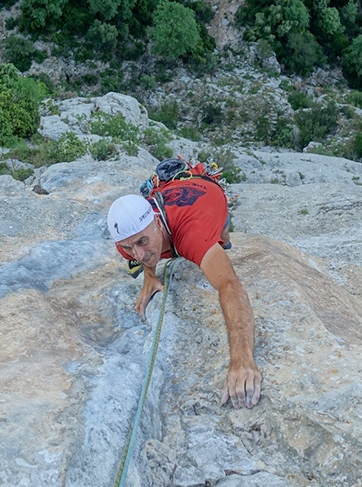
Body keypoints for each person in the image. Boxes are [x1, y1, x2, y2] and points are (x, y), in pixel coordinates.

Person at [107, 174, 262, 409]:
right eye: (129, 247)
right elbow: (139, 248)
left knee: (221, 237)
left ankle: (224, 229)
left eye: (142, 242)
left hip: (207, 193)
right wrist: (149, 274)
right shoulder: (126, 242)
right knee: (146, 250)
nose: (136, 255)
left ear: (158, 223)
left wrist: (242, 359)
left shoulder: (192, 234)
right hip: (175, 191)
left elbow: (229, 286)